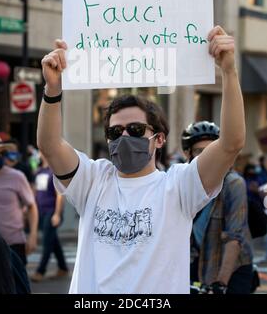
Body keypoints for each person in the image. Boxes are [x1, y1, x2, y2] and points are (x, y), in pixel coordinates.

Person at [37, 25, 245, 294]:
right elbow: (50, 145)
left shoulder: (179, 186)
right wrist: (52, 88)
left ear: (159, 139)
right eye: (115, 132)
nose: (124, 137)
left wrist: (229, 71)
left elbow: (231, 143)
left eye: (135, 130)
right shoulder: (92, 179)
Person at [181, 121, 253, 294]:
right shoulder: (183, 181)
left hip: (232, 268)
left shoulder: (233, 184)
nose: (207, 157)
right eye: (199, 151)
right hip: (199, 261)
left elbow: (234, 238)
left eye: (211, 150)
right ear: (188, 154)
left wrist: (221, 283)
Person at [0, 132, 38, 265]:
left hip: (14, 244)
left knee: (17, 285)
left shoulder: (17, 177)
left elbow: (31, 206)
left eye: (2, 153)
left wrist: (33, 235)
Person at [30, 152, 68, 282]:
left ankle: (40, 271)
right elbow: (35, 192)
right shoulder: (39, 171)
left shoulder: (54, 172)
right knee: (53, 241)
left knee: (47, 242)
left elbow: (60, 195)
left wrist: (57, 214)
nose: (40, 153)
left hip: (51, 212)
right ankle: (63, 268)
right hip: (41, 211)